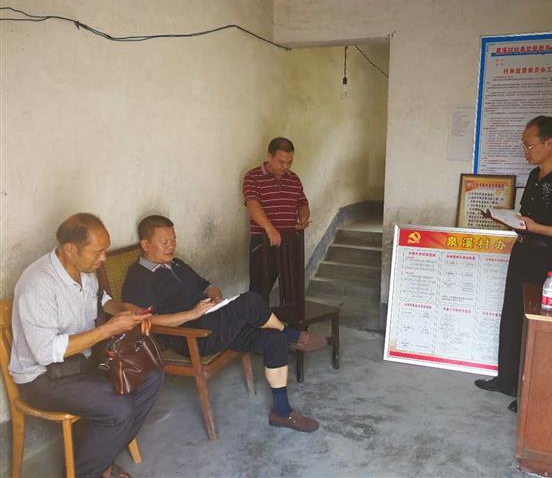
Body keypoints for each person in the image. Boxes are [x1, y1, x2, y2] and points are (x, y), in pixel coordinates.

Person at [121, 215, 326, 432]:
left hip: (213, 322)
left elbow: (208, 286)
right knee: (250, 300)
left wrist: (216, 299)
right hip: (192, 336)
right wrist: (191, 314)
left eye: (173, 240)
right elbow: (143, 321)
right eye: (165, 242)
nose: (171, 246)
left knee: (273, 339)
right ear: (145, 245)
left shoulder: (176, 264)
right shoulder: (138, 279)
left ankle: (282, 413)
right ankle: (294, 336)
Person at [9, 213, 164, 478]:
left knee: (151, 376)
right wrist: (109, 328)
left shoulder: (85, 271)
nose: (103, 259)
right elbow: (45, 352)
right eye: (98, 252)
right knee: (118, 407)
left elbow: (101, 300)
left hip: (83, 363)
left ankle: (100, 459)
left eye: (105, 250)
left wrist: (125, 310)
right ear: (70, 249)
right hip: (43, 378)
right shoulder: (37, 285)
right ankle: (88, 471)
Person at [474, 116, 552, 412]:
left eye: (529, 145)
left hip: (547, 260)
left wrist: (537, 228)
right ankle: (507, 380)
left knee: (537, 324)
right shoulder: (535, 176)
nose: (525, 150)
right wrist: (505, 218)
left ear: (549, 143)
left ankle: (531, 390)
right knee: (512, 315)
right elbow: (527, 221)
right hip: (522, 253)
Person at [243, 137, 310, 301]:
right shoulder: (253, 177)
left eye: (289, 162)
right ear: (269, 156)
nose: (285, 166)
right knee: (259, 290)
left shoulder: (294, 179)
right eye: (281, 162)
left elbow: (302, 203)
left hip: (290, 240)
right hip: (264, 241)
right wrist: (270, 229)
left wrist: (303, 219)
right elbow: (252, 204)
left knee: (293, 290)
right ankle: (258, 318)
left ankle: (293, 317)